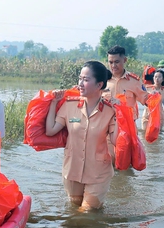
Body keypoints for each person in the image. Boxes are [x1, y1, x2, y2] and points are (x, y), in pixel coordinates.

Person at [45, 61, 118, 210]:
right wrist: (54, 103)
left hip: (98, 174)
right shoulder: (69, 105)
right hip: (72, 170)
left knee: (88, 213)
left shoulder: (110, 111)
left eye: (86, 80)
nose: (80, 84)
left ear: (99, 85)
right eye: (80, 78)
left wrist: (121, 113)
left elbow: (117, 141)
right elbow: (50, 130)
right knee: (74, 209)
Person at [105, 45, 148, 120]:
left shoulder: (134, 81)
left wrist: (156, 97)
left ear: (124, 60)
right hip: (107, 125)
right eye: (110, 62)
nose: (113, 65)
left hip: (128, 125)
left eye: (117, 62)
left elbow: (147, 101)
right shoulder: (102, 80)